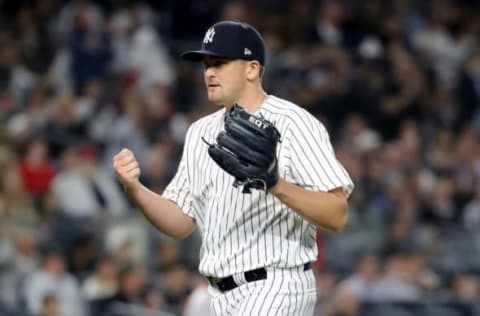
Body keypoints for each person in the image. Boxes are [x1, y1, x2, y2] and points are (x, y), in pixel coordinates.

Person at [113, 20, 354, 316]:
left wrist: (275, 183)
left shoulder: (293, 123)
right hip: (217, 296)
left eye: (221, 63)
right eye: (206, 65)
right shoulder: (199, 131)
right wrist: (135, 189)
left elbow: (337, 213)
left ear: (252, 69)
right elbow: (180, 222)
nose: (209, 73)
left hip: (277, 285)